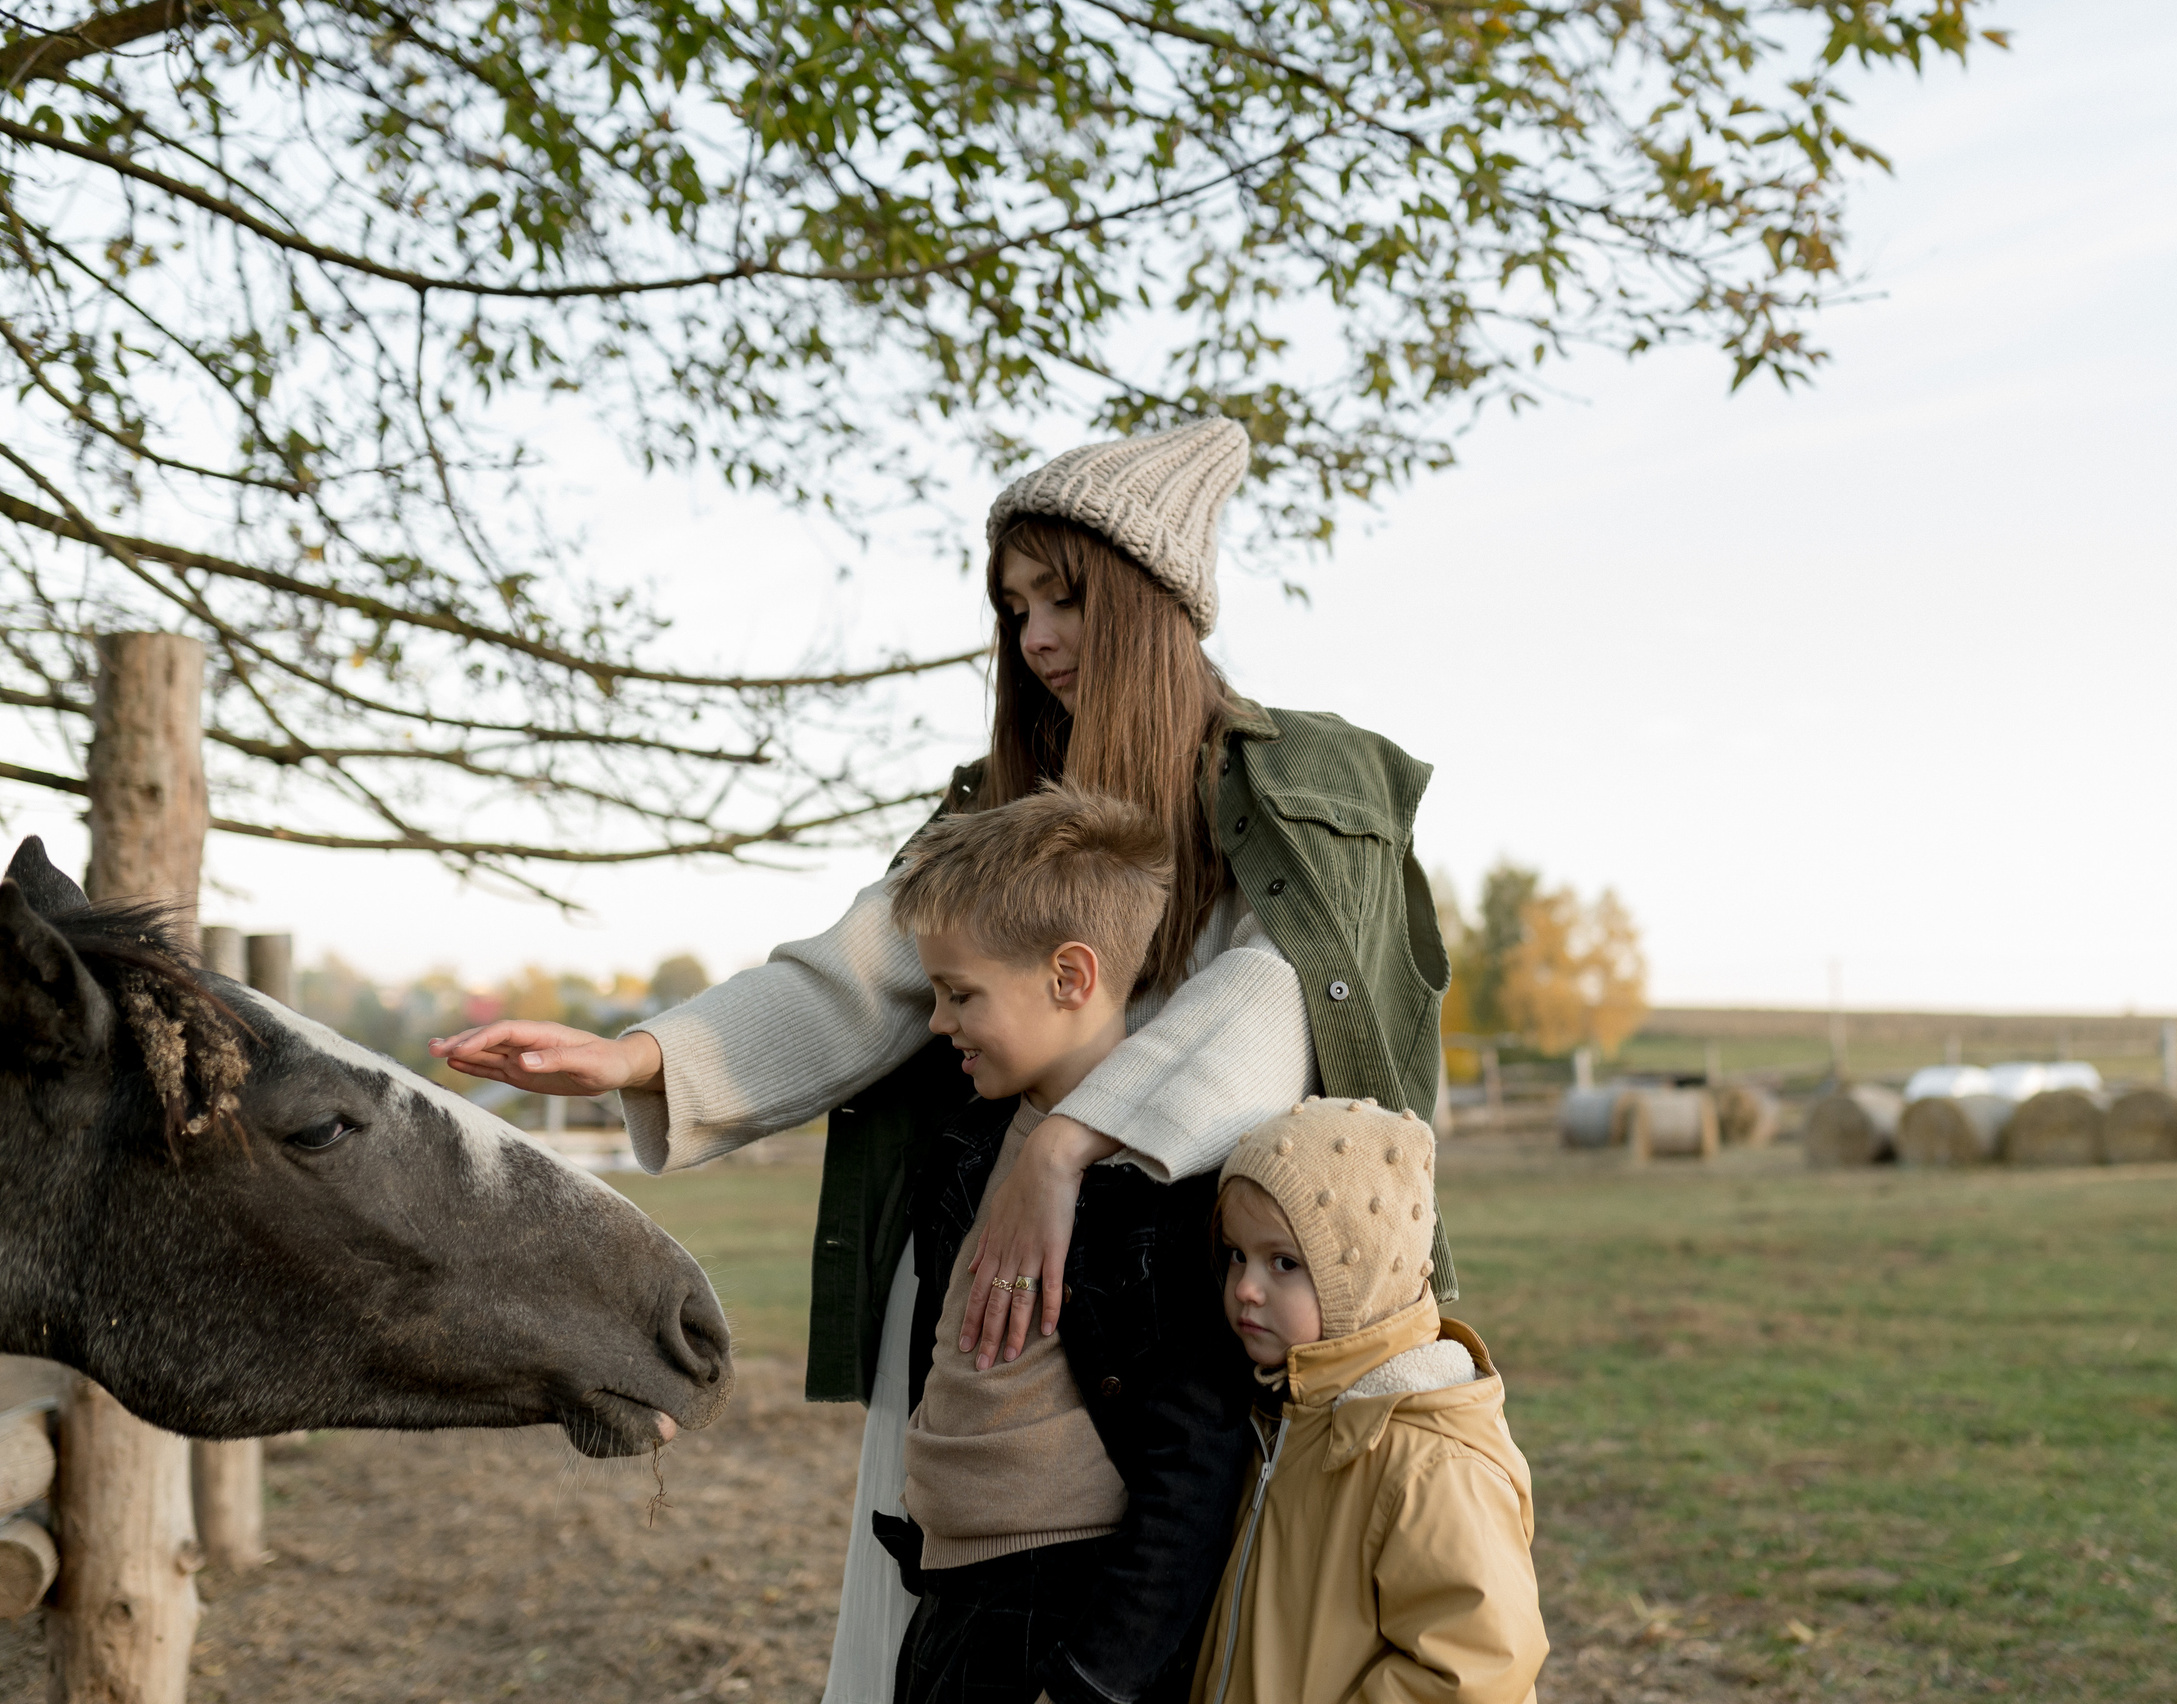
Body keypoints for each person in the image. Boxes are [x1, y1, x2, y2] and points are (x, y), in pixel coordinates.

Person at [429, 415, 1455, 1704]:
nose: (1032, 639)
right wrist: (636, 1056)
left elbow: (1280, 996)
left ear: (1151, 606)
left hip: (1184, 1310)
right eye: (1015, 605)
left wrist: (1066, 1146)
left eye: (1064, 598)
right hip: (983, 1308)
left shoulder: (1306, 788)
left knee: (1168, 1628)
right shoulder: (996, 809)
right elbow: (858, 976)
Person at [876, 781, 1254, 1703]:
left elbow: (1195, 1462)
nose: (936, 1023)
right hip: (950, 1596)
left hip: (1060, 1610)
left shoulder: (1164, 1188)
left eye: (960, 994)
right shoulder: (970, 1144)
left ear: (1071, 977)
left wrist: (1095, 1679)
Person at [1195, 1098, 1544, 1704]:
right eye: (1236, 1255)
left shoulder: (1430, 1463)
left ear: (1361, 1278)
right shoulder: (1284, 1416)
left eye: (1283, 1263)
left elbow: (1475, 1670)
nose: (1246, 1288)